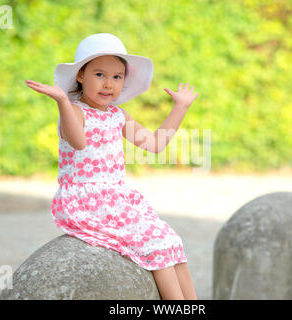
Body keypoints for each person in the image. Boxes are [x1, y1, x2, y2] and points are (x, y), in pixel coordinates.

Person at [25, 33, 199, 300]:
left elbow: (155, 143)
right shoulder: (75, 112)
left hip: (117, 199)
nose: (108, 84)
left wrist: (181, 107)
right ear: (80, 75)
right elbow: (78, 141)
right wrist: (62, 102)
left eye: (117, 77)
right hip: (88, 199)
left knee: (172, 241)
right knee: (155, 246)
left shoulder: (117, 115)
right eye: (99, 75)